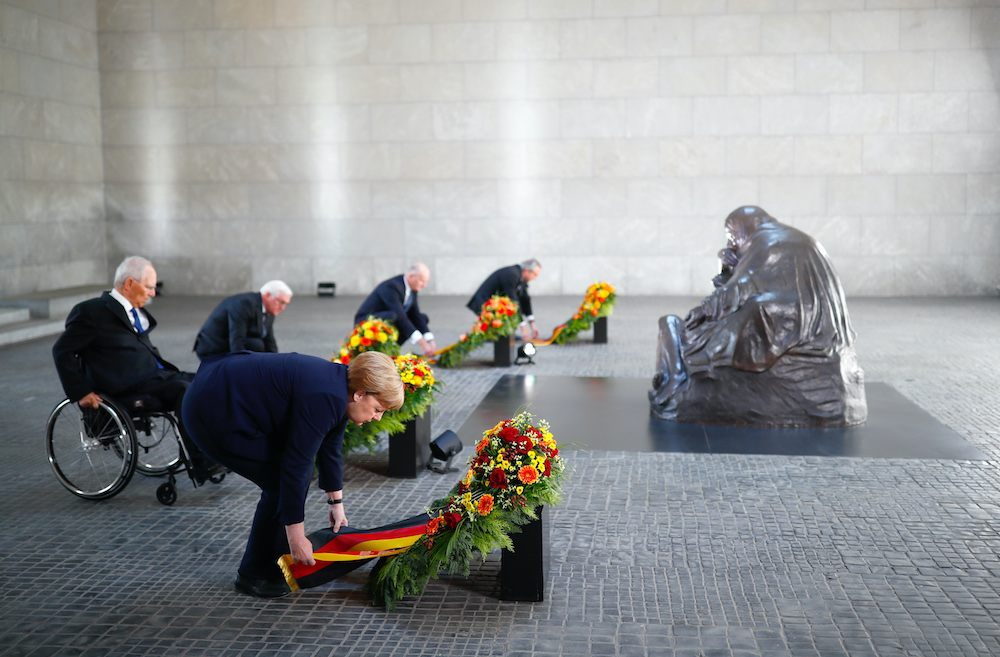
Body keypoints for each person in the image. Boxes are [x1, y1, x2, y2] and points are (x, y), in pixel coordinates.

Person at [181, 350, 404, 598]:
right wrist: (296, 538)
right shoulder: (325, 395)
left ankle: (268, 563)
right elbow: (296, 464)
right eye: (377, 409)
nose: (377, 417)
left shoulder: (341, 384)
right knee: (279, 480)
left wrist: (336, 504)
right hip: (210, 411)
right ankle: (255, 574)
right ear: (360, 394)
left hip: (220, 391)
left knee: (286, 479)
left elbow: (330, 446)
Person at [649, 206, 867, 427]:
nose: (732, 242)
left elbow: (741, 288)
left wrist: (702, 310)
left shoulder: (765, 242)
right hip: (822, 324)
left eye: (731, 235)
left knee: (711, 331)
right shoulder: (795, 238)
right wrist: (729, 267)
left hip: (787, 319)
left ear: (741, 226)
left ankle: (691, 367)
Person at [51, 255, 223, 478]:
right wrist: (80, 391)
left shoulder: (135, 312)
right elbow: (62, 350)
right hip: (127, 387)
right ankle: (201, 462)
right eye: (150, 287)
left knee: (210, 379)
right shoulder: (91, 312)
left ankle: (219, 448)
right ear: (130, 284)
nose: (153, 293)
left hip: (155, 377)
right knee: (184, 390)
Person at [353, 263, 438, 357]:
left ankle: (392, 351)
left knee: (422, 318)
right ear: (411, 276)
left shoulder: (413, 288)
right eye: (422, 281)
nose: (424, 285)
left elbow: (415, 315)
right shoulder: (392, 286)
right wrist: (422, 343)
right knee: (394, 316)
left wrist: (430, 340)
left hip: (390, 318)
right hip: (365, 322)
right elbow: (400, 316)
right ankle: (379, 354)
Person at [193, 280, 293, 359]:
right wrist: (241, 368)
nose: (282, 308)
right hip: (211, 348)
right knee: (256, 345)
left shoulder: (270, 309)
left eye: (286, 304)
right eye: (281, 302)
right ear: (267, 295)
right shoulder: (245, 304)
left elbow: (269, 340)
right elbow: (236, 339)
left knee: (260, 347)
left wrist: (277, 363)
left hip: (228, 342)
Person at [466, 259, 542, 342]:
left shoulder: (520, 275)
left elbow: (525, 299)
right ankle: (495, 335)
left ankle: (504, 335)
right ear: (527, 271)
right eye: (535, 275)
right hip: (483, 303)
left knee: (509, 311)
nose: (536, 278)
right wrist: (524, 329)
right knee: (508, 310)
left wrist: (532, 324)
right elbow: (514, 301)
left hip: (495, 303)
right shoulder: (512, 274)